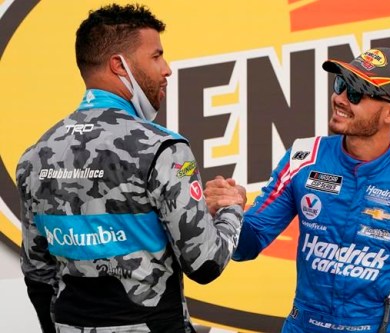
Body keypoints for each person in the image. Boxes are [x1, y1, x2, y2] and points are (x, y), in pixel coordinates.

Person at [205, 47, 390, 332]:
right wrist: (230, 211)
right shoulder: (303, 159)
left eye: (357, 93)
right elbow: (248, 244)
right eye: (341, 84)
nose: (340, 98)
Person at [16, 4, 245, 333]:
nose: (167, 69)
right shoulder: (163, 148)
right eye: (156, 56)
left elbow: (38, 275)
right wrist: (231, 208)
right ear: (119, 65)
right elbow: (204, 263)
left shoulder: (35, 156)